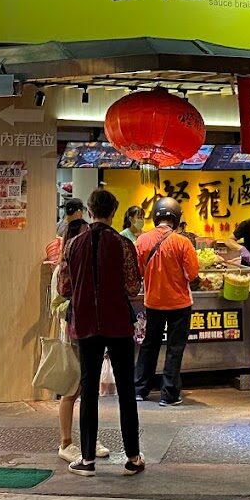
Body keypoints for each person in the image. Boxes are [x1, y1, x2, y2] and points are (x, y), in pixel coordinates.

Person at [57, 188, 145, 476]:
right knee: (126, 391)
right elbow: (133, 287)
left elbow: (64, 288)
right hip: (118, 323)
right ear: (113, 213)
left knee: (89, 391)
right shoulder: (123, 245)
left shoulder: (72, 246)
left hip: (85, 324)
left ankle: (87, 459)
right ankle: (132, 457)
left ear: (91, 211)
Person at [48, 217, 112, 462]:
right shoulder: (62, 269)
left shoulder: (86, 264)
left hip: (89, 333)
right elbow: (57, 306)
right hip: (73, 335)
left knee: (88, 390)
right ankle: (65, 442)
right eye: (84, 235)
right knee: (71, 390)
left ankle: (89, 437)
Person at [134, 197, 201, 406]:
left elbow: (138, 272)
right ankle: (169, 394)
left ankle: (140, 389)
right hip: (179, 305)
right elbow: (192, 275)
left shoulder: (142, 241)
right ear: (176, 217)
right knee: (174, 348)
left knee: (149, 345)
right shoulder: (183, 242)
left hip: (152, 302)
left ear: (155, 217)